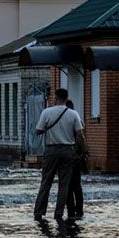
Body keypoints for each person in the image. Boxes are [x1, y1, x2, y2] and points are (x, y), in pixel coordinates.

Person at [33, 88, 86, 222]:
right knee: (64, 184)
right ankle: (59, 213)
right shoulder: (73, 114)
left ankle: (39, 212)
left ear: (55, 98)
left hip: (51, 150)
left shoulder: (47, 112)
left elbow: (38, 130)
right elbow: (80, 135)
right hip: (68, 151)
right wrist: (83, 151)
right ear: (66, 98)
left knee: (46, 182)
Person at [64, 100, 87, 219]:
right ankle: (79, 211)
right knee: (77, 185)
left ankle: (71, 212)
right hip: (77, 157)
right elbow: (82, 138)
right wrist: (84, 153)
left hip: (67, 157)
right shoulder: (78, 120)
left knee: (67, 185)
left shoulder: (65, 121)